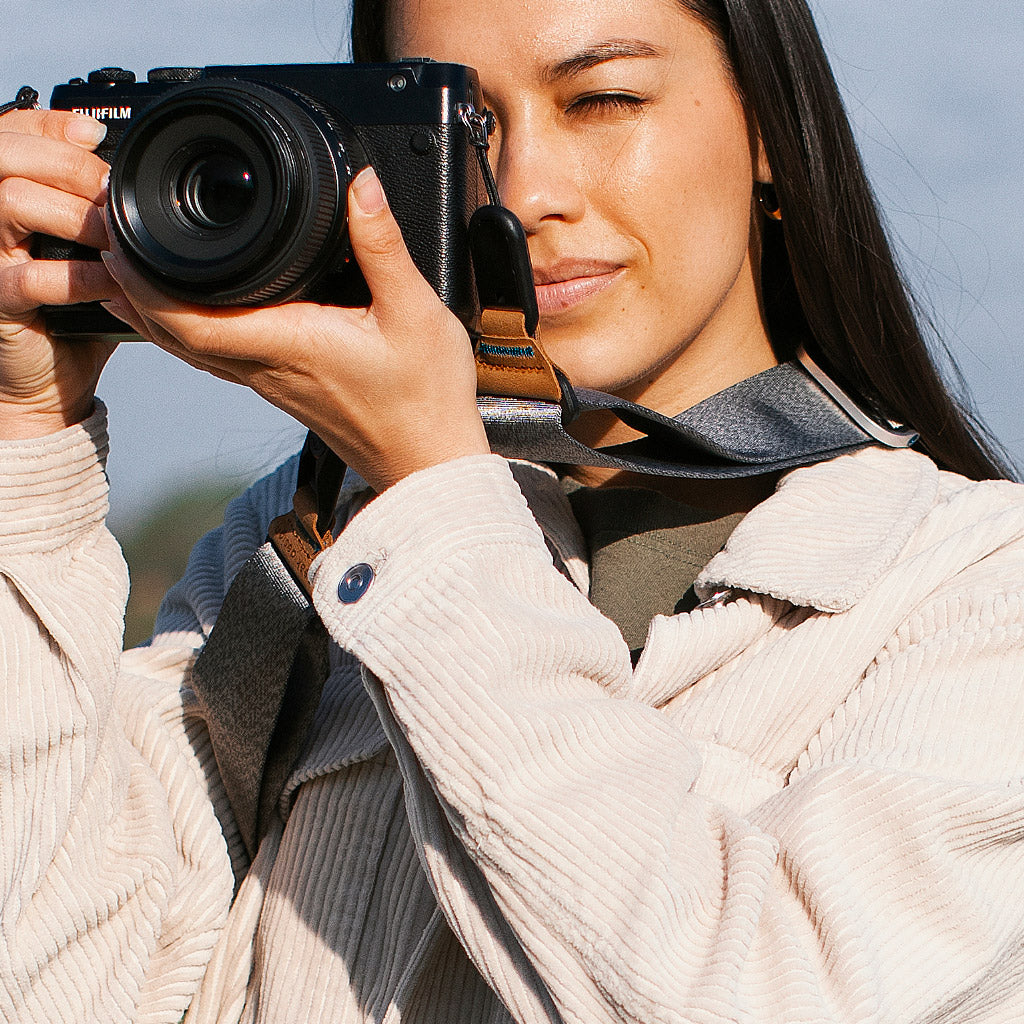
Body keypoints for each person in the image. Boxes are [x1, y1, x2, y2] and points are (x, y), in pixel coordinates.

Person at [1, 0, 1023, 1021]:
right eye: (465, 126)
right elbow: (56, 989)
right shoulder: (305, 544)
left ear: (769, 131)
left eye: (601, 100)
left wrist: (433, 492)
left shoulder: (974, 590)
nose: (525, 191)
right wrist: (28, 432)